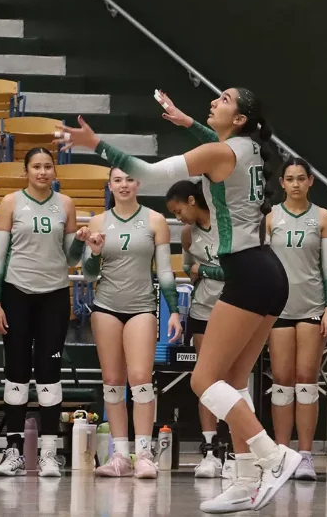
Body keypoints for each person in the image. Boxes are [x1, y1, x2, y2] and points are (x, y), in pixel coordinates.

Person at [58, 88, 296, 513]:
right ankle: (244, 481)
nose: (214, 102)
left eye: (223, 99)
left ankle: (273, 457)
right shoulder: (252, 147)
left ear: (239, 118)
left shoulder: (221, 152)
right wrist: (190, 124)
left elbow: (146, 174)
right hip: (267, 271)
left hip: (247, 273)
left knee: (204, 381)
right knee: (235, 383)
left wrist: (97, 146)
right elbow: (222, 149)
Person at [0, 148, 85, 477]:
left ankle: (48, 452)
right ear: (26, 171)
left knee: (49, 372)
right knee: (16, 370)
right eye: (36, 167)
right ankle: (13, 450)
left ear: (55, 171)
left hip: (54, 295)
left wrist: (83, 241)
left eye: (48, 166)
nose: (42, 172)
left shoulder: (66, 204)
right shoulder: (11, 203)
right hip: (17, 293)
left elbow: (72, 258)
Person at [84, 167, 182, 479]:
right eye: (117, 180)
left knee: (140, 377)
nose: (124, 185)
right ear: (109, 185)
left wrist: (174, 310)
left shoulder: (155, 220)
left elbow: (165, 271)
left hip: (141, 307)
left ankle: (143, 454)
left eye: (129, 179)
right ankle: (118, 455)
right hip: (106, 307)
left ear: (138, 183)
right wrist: (94, 253)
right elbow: (88, 273)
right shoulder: (98, 222)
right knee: (112, 381)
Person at [266, 157, 327, 480]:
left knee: (307, 380)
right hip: (278, 308)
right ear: (281, 183)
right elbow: (264, 266)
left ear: (311, 181)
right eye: (290, 178)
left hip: (311, 308)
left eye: (301, 178)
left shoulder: (323, 218)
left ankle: (306, 455)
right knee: (282, 380)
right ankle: (282, 454)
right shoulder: (270, 219)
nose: (295, 183)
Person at [166, 180, 228, 479]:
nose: (178, 218)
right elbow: (188, 270)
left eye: (179, 211)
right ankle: (210, 448)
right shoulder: (188, 233)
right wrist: (198, 273)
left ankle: (237, 450)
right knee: (206, 378)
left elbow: (236, 270)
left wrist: (203, 270)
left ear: (193, 200)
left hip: (236, 308)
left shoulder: (226, 224)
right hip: (203, 310)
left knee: (234, 379)